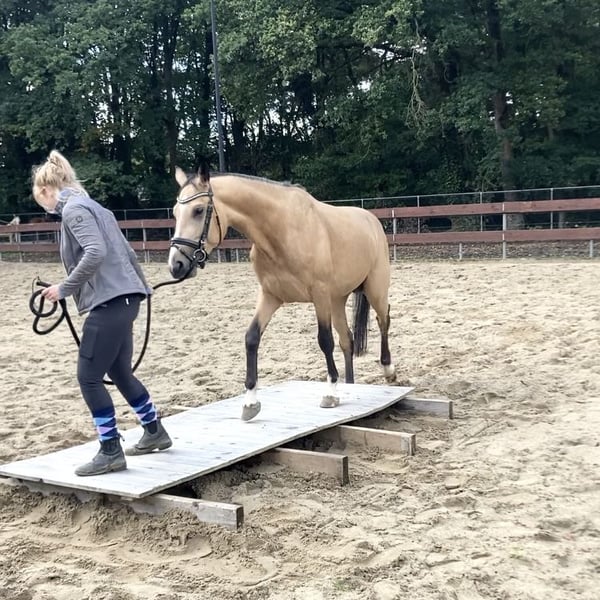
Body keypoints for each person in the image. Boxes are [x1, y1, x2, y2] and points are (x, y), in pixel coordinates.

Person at [32, 150, 172, 476]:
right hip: (125, 299)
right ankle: (154, 431)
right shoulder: (96, 207)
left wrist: (64, 288)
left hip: (110, 302)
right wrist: (140, 288)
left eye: (40, 200)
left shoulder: (74, 210)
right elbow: (124, 252)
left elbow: (96, 252)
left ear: (46, 190)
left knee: (89, 377)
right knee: (120, 372)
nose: (43, 206)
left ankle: (110, 450)